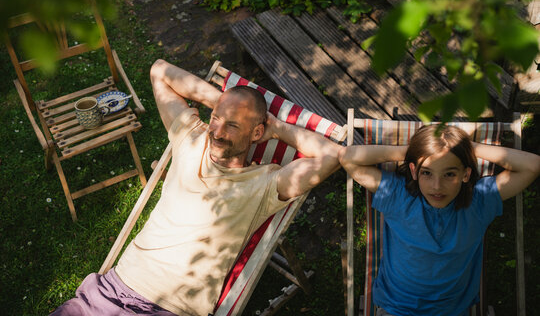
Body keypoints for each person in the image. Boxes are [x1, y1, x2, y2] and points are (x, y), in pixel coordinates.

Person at [51, 59, 342, 316]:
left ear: (257, 132)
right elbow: (159, 70)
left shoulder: (266, 184)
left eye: (232, 126)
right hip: (107, 290)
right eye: (215, 119)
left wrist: (277, 128)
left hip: (166, 308)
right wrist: (223, 102)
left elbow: (331, 156)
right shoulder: (190, 138)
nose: (216, 132)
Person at [338, 124, 540, 316]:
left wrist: (470, 147)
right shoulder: (397, 195)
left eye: (449, 174)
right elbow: (347, 157)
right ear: (414, 171)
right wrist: (412, 151)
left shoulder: (480, 201)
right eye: (427, 172)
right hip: (398, 308)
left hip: (450, 310)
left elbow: (532, 165)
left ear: (466, 174)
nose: (437, 186)